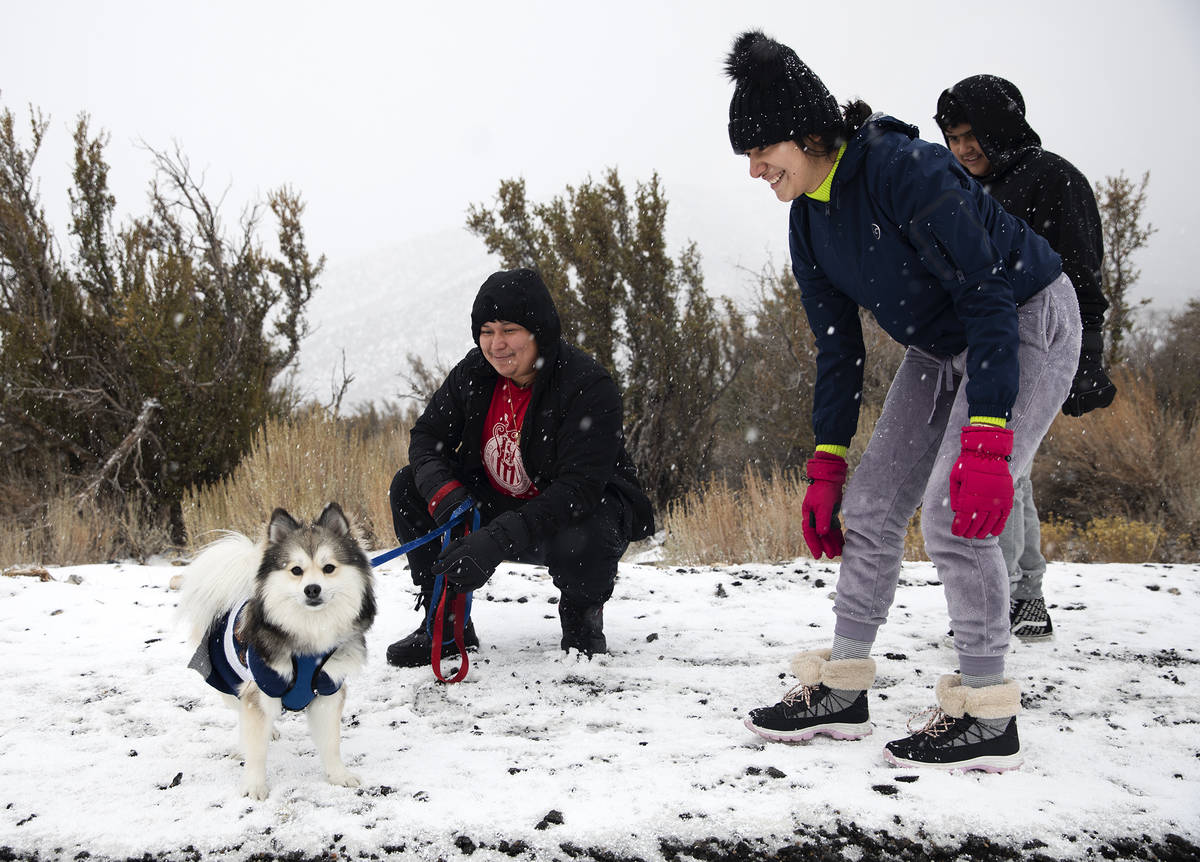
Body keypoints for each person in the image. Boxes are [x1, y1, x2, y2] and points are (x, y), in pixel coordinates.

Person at [725, 31, 1081, 770]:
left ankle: (987, 713)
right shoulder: (808, 220)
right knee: (873, 505)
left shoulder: (904, 170)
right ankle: (844, 688)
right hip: (939, 343)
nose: (755, 169)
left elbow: (986, 293)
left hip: (1024, 320)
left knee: (955, 517)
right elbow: (838, 348)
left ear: (810, 133)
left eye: (763, 151)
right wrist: (827, 460)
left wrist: (987, 435)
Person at [385, 267, 654, 667]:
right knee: (409, 486)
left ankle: (582, 626)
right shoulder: (474, 373)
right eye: (487, 330)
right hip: (497, 506)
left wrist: (494, 541)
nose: (497, 344)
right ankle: (445, 623)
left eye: (510, 329)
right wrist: (446, 497)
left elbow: (577, 490)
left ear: (539, 330)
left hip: (568, 515)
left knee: (591, 526)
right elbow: (427, 438)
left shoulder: (586, 384)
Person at [935, 76, 1115, 643]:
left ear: (1001, 128)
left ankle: (1009, 593)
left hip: (1035, 345)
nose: (965, 149)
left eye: (973, 136)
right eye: (953, 138)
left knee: (996, 469)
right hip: (976, 346)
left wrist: (1087, 358)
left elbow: (1083, 276)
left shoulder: (1055, 180)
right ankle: (1024, 594)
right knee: (1013, 475)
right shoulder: (959, 186)